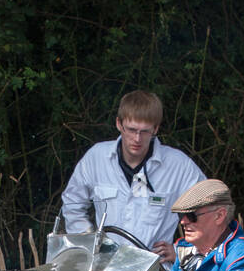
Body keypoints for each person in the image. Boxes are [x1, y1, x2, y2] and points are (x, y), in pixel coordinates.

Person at [59, 90, 206, 251]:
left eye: (144, 131)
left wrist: (183, 251)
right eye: (131, 130)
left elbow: (210, 211)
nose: (137, 139)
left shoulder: (179, 165)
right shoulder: (96, 158)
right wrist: (90, 242)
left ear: (155, 129)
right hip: (104, 267)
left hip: (155, 270)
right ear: (118, 124)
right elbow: (72, 203)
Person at [158, 178, 244, 271]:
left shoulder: (240, 256)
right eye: (181, 215)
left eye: (191, 216)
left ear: (219, 216)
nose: (183, 221)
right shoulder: (183, 250)